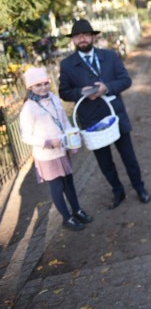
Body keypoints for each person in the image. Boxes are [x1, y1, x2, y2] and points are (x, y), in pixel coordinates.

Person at [59, 19, 151, 209]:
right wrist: (80, 92)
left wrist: (107, 88)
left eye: (85, 34)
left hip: (115, 115)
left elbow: (125, 80)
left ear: (93, 36)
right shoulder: (67, 65)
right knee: (105, 162)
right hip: (91, 120)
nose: (82, 38)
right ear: (73, 40)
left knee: (129, 157)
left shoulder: (109, 56)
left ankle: (139, 187)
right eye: (77, 36)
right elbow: (63, 92)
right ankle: (118, 191)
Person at [19, 67, 93, 231]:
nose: (43, 88)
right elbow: (26, 137)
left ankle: (77, 210)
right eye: (38, 85)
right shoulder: (29, 108)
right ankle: (67, 218)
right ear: (30, 87)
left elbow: (63, 120)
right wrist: (47, 142)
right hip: (47, 155)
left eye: (45, 83)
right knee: (57, 187)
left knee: (69, 183)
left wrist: (70, 134)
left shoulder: (53, 98)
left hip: (62, 149)